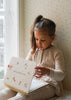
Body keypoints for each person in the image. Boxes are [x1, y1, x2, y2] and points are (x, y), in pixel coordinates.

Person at [0, 15, 65, 100]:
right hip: (32, 82)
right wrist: (15, 69)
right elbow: (25, 67)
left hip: (50, 85)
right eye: (36, 39)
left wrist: (48, 72)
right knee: (8, 91)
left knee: (24, 96)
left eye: (42, 40)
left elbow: (61, 75)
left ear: (52, 38)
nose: (38, 43)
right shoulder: (33, 51)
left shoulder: (57, 53)